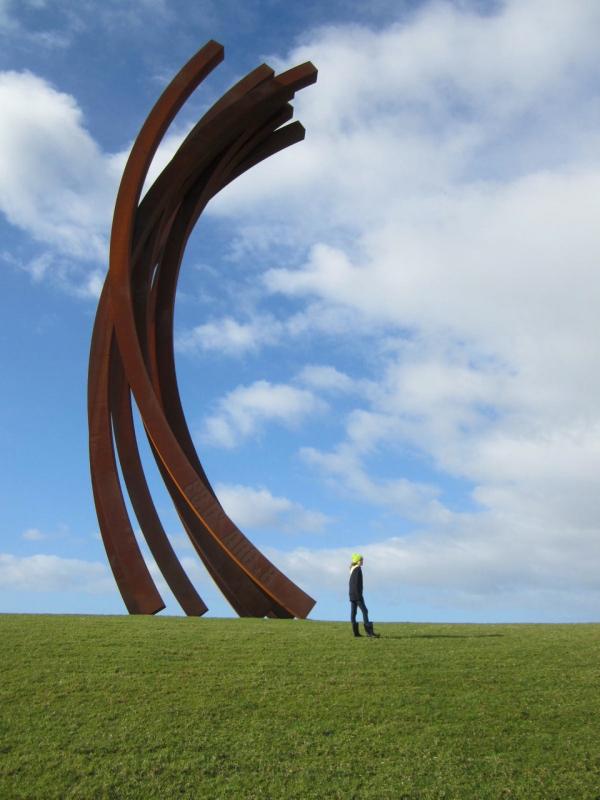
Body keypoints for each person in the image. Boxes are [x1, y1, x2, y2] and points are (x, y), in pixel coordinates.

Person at [349, 553, 379, 638]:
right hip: (357, 595)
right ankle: (369, 633)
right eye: (361, 560)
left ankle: (356, 633)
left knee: (353, 613)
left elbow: (352, 584)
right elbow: (356, 584)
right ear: (357, 561)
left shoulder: (352, 569)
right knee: (365, 611)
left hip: (351, 594)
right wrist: (359, 595)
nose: (362, 561)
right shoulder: (358, 569)